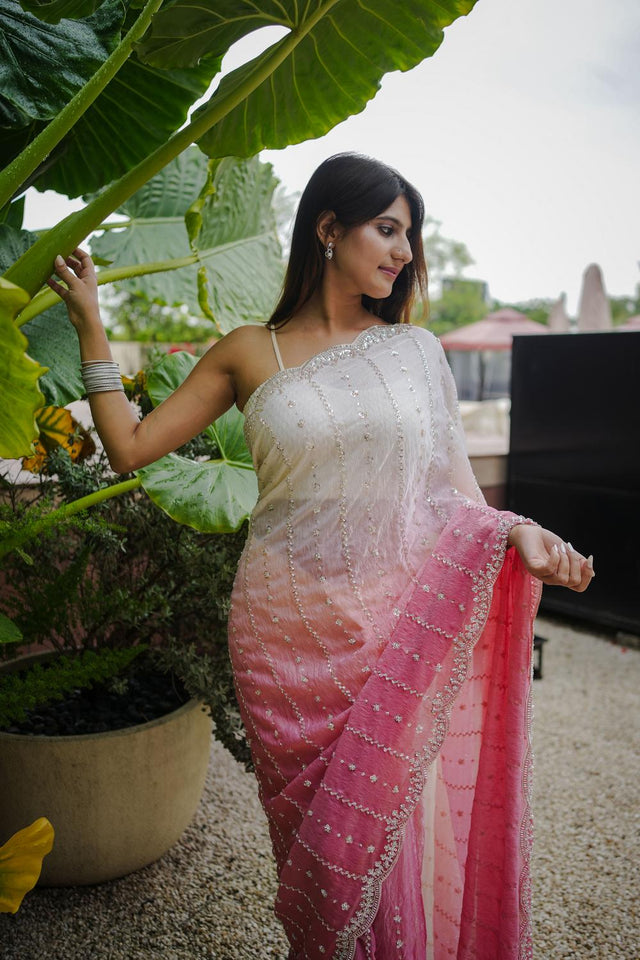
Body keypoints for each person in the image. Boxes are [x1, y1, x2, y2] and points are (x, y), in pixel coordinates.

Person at [49, 153, 593, 960]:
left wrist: (515, 533)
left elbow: (454, 496)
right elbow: (128, 449)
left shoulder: (415, 352)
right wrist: (93, 324)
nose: (404, 250)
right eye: (387, 228)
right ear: (328, 228)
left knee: (390, 832)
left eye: (410, 235)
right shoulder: (247, 353)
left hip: (394, 626)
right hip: (283, 635)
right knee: (324, 856)